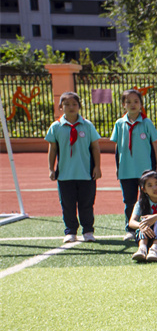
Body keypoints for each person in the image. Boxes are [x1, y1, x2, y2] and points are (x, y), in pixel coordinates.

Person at [45, 91, 102, 243]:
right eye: (67, 104)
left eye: (74, 104)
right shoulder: (56, 127)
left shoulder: (87, 125)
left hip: (86, 173)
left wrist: (97, 167)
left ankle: (88, 230)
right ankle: (70, 231)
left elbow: (95, 147)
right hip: (65, 174)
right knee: (68, 205)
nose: (71, 107)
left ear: (79, 106)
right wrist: (51, 168)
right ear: (60, 107)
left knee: (87, 204)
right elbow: (53, 149)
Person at [109, 89, 157, 240]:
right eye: (128, 102)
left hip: (145, 170)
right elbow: (117, 147)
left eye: (136, 101)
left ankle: (149, 227)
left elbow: (154, 146)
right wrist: (118, 167)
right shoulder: (119, 124)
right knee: (129, 200)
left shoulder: (146, 123)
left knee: (146, 199)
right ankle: (130, 229)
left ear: (141, 104)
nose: (132, 105)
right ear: (123, 105)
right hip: (126, 170)